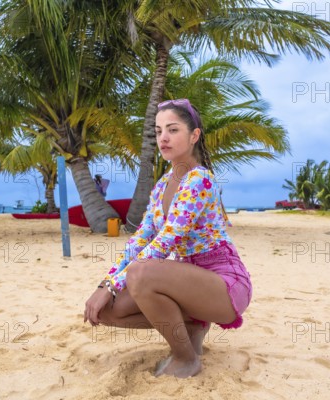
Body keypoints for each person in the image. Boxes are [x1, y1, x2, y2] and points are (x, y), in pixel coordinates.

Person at [84, 98, 252, 378]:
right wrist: (106, 285)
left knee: (140, 273)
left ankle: (186, 358)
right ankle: (194, 325)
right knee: (106, 311)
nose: (163, 137)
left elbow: (167, 241)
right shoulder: (162, 185)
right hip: (187, 280)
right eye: (158, 130)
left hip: (224, 283)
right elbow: (140, 239)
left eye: (172, 130)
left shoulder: (200, 180)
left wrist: (114, 284)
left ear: (194, 135)